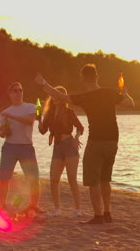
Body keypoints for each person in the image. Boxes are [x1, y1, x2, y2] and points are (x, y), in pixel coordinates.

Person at [35, 64, 135, 224]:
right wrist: (125, 93)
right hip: (112, 140)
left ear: (83, 78)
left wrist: (44, 84)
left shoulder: (85, 97)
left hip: (96, 141)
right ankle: (107, 212)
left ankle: (98, 216)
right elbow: (130, 104)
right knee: (105, 178)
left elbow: (62, 97)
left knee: (93, 180)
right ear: (97, 76)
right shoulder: (110, 93)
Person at [0, 82, 45, 214]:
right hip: (9, 147)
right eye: (15, 91)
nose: (18, 93)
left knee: (34, 178)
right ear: (10, 94)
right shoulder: (5, 112)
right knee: (4, 178)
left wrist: (12, 117)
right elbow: (1, 132)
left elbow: (30, 121)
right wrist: (3, 132)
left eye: (20, 90)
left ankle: (34, 205)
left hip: (26, 147)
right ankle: (3, 205)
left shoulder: (30, 107)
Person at [38, 86, 85, 217]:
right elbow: (42, 131)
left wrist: (76, 138)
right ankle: (57, 209)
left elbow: (80, 127)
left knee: (72, 179)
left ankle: (77, 209)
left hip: (70, 145)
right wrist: (39, 119)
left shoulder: (69, 111)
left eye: (60, 95)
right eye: (55, 95)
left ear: (63, 98)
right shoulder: (50, 113)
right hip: (57, 147)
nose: (56, 97)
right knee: (53, 179)